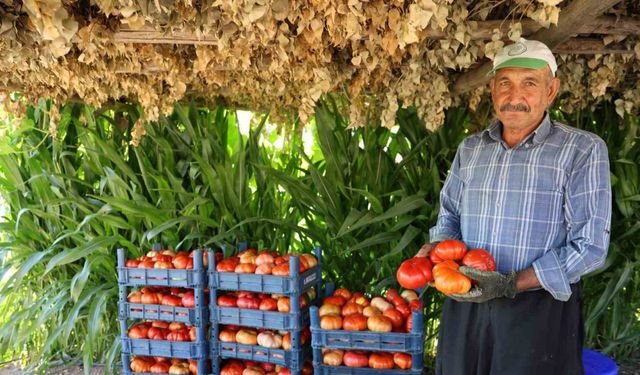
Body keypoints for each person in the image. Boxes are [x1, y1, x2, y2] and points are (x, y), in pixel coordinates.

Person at [418, 38, 612, 375]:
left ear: (551, 90)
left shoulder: (581, 150)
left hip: (538, 308)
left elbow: (591, 247)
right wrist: (437, 251)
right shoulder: (472, 149)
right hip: (467, 301)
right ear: (492, 88)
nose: (514, 96)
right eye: (505, 83)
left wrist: (512, 283)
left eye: (529, 83)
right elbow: (449, 216)